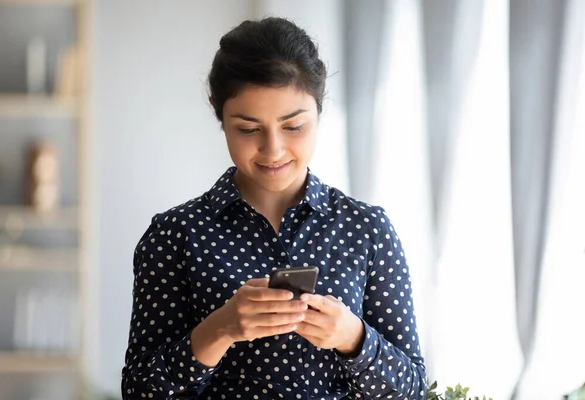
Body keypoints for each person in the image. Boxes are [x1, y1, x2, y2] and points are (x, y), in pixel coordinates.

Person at [121, 17, 426, 400]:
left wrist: (353, 339)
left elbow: (413, 390)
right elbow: (139, 392)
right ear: (219, 114)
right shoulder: (174, 236)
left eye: (293, 126)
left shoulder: (368, 230)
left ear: (319, 109)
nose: (273, 150)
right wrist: (221, 329)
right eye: (248, 129)